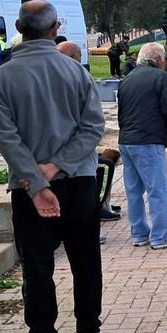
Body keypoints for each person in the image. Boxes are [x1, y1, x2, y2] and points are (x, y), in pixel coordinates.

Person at [0, 0, 105, 333]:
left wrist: (38, 181)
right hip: (81, 181)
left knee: (38, 268)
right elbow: (93, 128)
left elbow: (7, 138)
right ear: (56, 28)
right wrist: (59, 167)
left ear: (20, 28)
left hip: (29, 188)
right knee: (86, 261)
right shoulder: (76, 72)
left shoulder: (1, 78)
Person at [118, 43, 167, 249]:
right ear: (158, 59)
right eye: (164, 59)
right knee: (158, 189)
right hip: (148, 140)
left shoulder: (127, 79)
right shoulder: (160, 77)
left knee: (134, 190)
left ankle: (139, 234)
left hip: (127, 140)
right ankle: (160, 236)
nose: (165, 63)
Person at [55, 41, 122, 222]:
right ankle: (98, 207)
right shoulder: (76, 77)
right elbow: (92, 123)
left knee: (108, 158)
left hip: (65, 156)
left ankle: (101, 205)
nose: (79, 61)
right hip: (72, 158)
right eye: (77, 58)